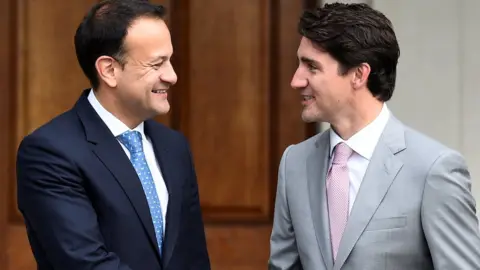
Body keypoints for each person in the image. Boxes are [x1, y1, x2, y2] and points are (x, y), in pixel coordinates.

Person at [268, 3, 480, 270]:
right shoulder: (294, 163)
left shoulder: (434, 169)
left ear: (359, 74)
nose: (296, 80)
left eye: (311, 67)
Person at [16, 0, 210, 269]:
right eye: (157, 64)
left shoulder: (173, 146)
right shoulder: (51, 152)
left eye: (170, 60)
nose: (173, 76)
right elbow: (84, 262)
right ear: (109, 70)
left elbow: (193, 256)